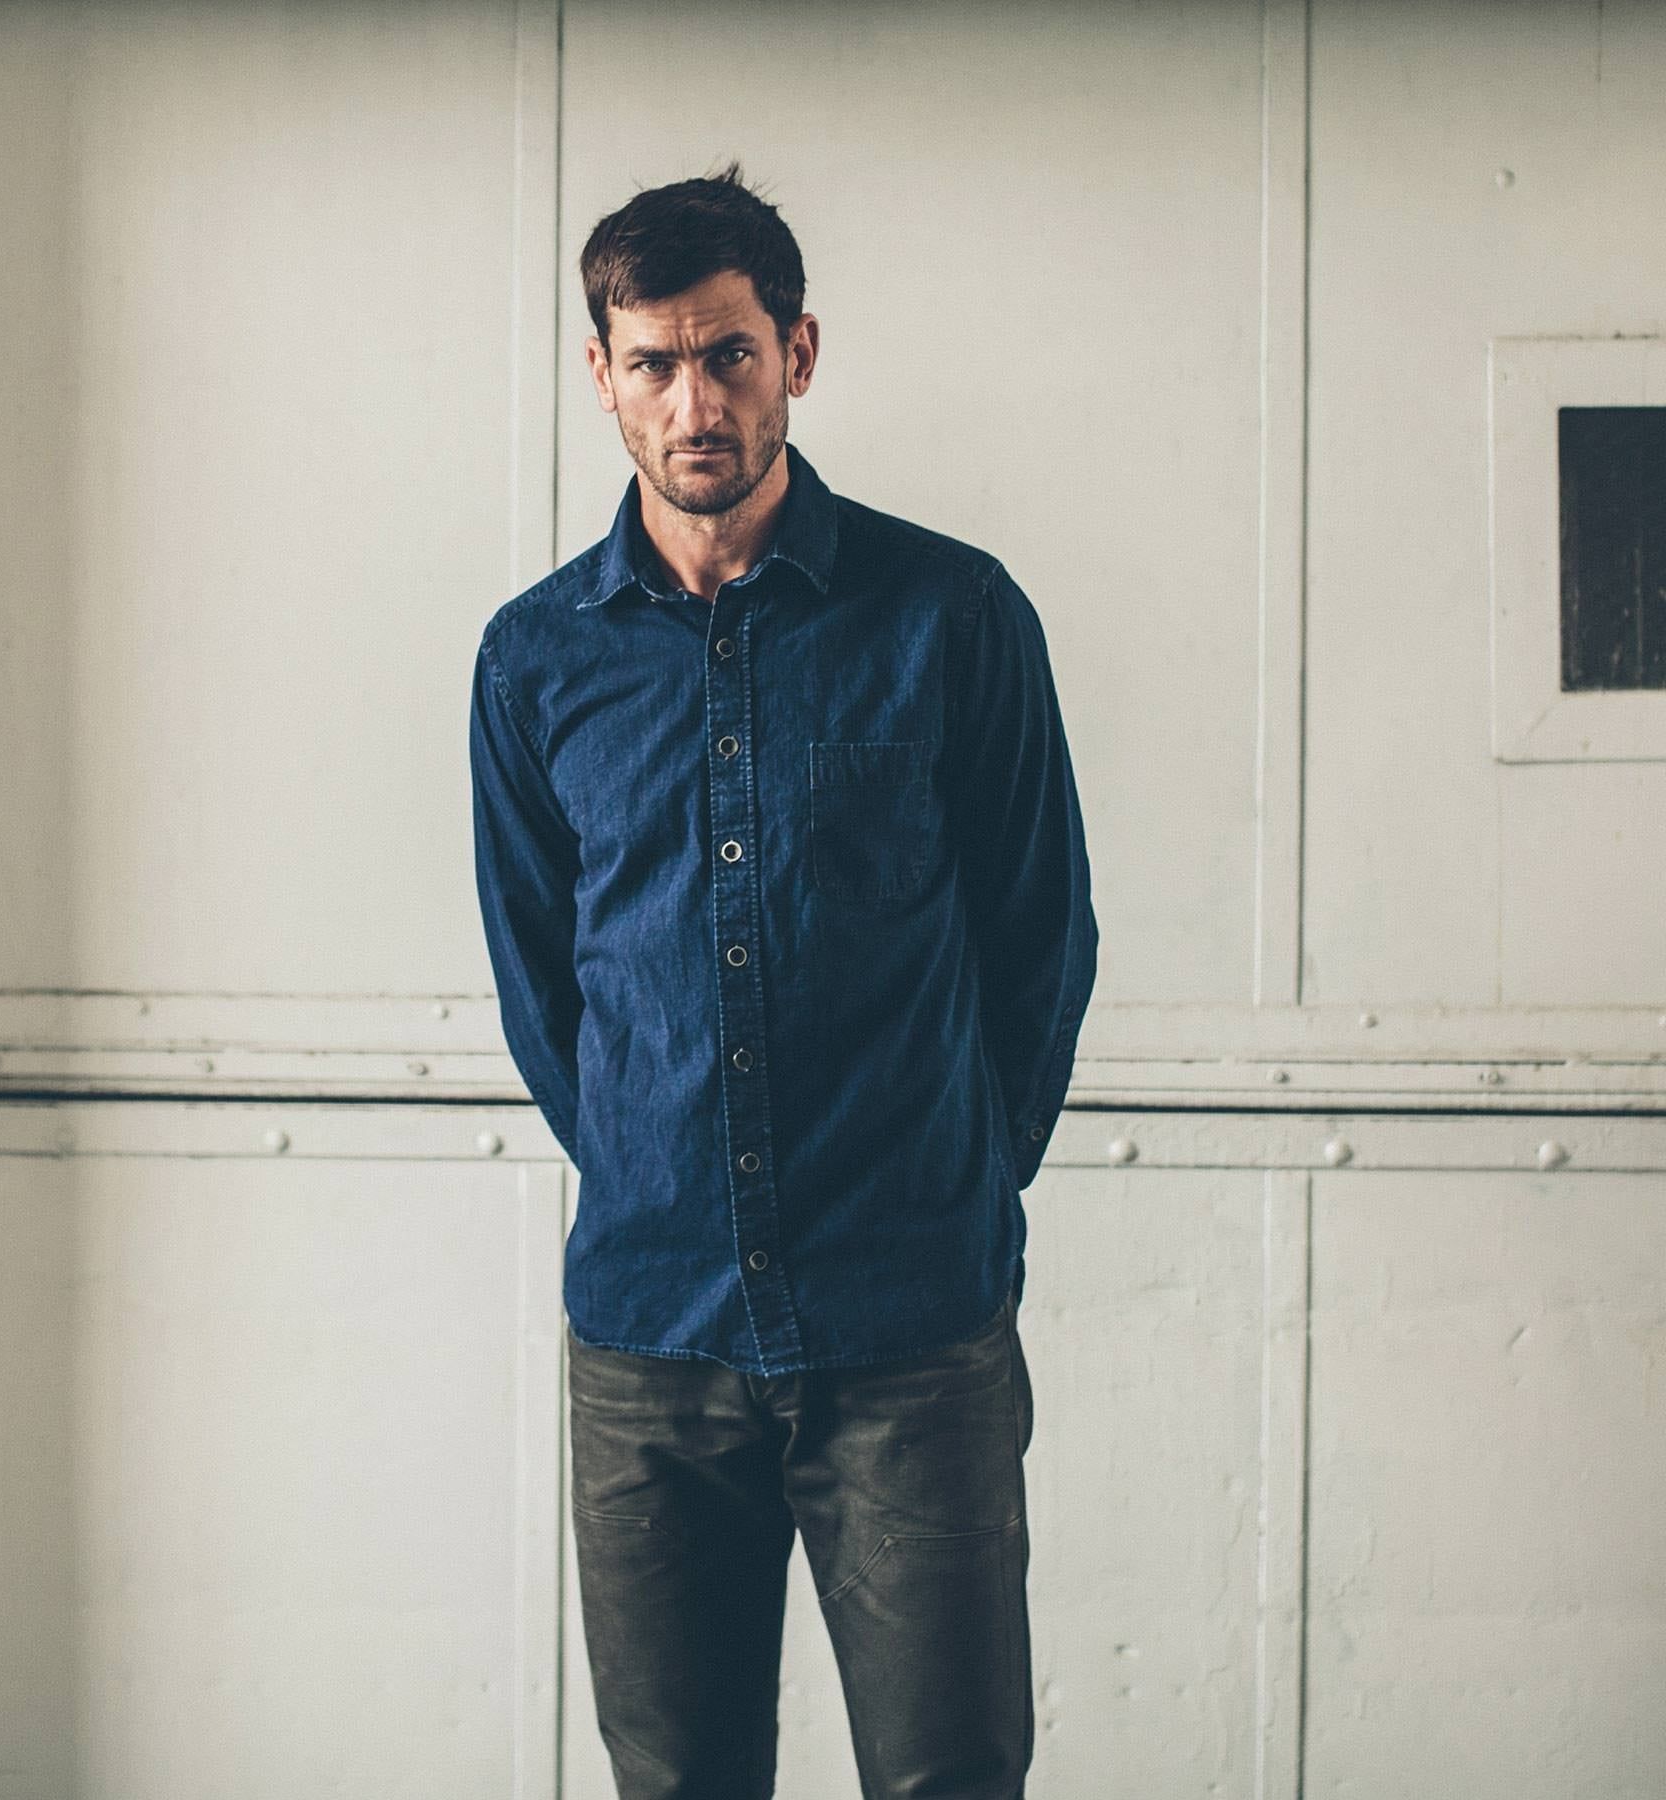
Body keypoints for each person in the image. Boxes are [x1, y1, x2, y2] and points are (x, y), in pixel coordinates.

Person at [468, 160, 1097, 1800]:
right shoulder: (535, 660)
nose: (696, 403)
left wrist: (958, 1184)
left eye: (728, 355)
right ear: (601, 373)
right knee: (678, 1783)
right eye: (655, 363)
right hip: (650, 1342)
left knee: (949, 1775)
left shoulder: (950, 616)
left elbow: (1042, 936)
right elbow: (546, 986)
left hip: (912, 1335)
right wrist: (652, 1166)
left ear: (796, 354)